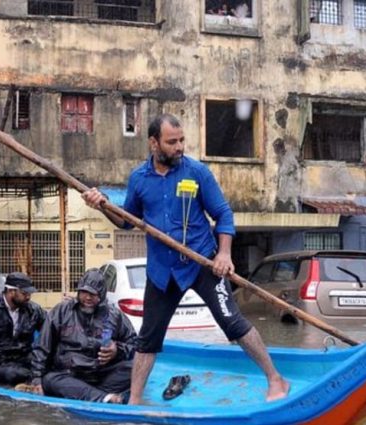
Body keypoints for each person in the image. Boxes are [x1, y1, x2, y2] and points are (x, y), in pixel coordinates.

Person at [82, 113, 290, 405]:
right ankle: (136, 401)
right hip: (162, 272)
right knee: (148, 339)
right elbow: (126, 221)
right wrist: (102, 204)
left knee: (233, 323)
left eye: (181, 141)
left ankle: (276, 379)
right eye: (171, 142)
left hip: (201, 263)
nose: (179, 147)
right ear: (154, 143)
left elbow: (223, 215)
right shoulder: (139, 179)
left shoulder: (196, 172)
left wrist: (224, 254)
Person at [26, 270, 137, 404]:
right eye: (84, 292)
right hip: (69, 374)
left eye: (93, 294)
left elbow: (135, 345)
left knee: (135, 368)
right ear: (78, 292)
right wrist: (36, 378)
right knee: (50, 380)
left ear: (101, 295)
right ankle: (103, 397)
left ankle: (92, 394)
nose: (87, 298)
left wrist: (117, 350)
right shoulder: (62, 311)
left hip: (101, 374)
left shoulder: (114, 315)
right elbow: (42, 347)